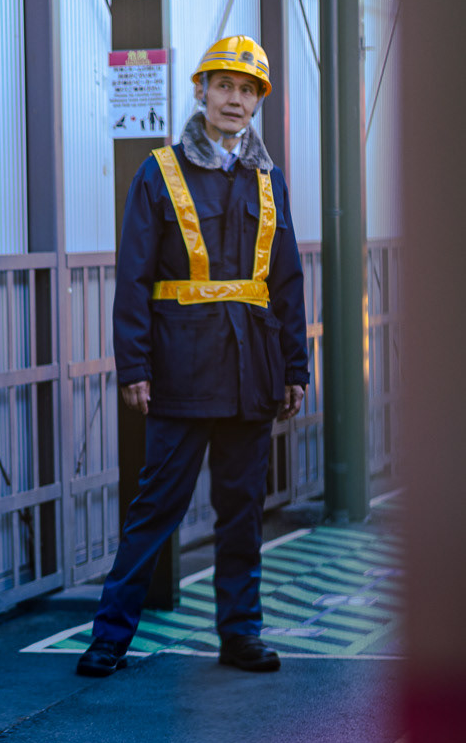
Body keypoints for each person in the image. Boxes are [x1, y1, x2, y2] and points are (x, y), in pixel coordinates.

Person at [77, 35, 309, 679]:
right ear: (201, 90)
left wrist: (297, 368)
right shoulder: (161, 171)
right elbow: (133, 278)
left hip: (253, 372)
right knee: (156, 509)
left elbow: (285, 282)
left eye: (247, 90)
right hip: (179, 372)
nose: (234, 99)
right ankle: (110, 638)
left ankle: (241, 635)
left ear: (257, 101)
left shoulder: (268, 180)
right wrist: (135, 367)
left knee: (243, 513)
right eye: (224, 86)